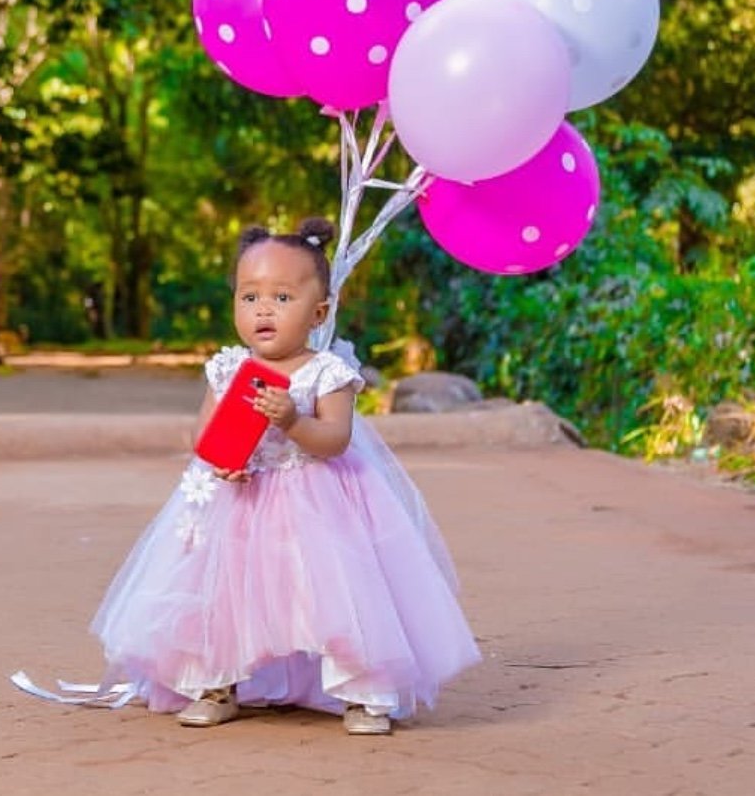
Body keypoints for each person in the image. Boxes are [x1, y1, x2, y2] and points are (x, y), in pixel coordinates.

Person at [84, 217, 480, 735]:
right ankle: (215, 683)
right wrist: (221, 459)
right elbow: (203, 436)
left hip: (316, 501)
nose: (263, 309)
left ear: (318, 312)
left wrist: (292, 419)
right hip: (240, 501)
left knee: (334, 595)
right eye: (249, 298)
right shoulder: (228, 368)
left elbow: (334, 439)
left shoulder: (327, 371)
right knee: (221, 592)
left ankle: (364, 691)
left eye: (282, 298)